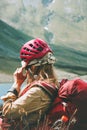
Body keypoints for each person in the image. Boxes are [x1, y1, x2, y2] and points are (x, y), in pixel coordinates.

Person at [1, 38, 59, 129]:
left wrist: (17, 83)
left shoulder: (38, 91)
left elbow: (8, 112)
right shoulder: (53, 84)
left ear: (32, 67)